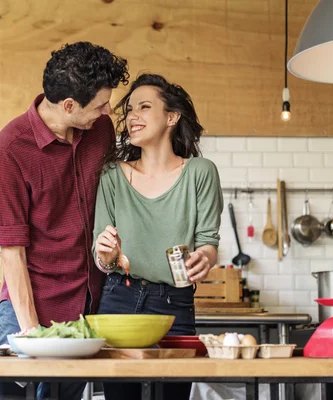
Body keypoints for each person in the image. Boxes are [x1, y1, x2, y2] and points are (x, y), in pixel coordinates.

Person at [0, 41, 129, 400]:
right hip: (28, 308)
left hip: (83, 312)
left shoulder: (100, 130)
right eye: (100, 104)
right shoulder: (9, 151)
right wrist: (33, 334)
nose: (108, 110)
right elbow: (12, 253)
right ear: (68, 106)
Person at [93, 73, 224, 400]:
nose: (132, 116)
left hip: (174, 306)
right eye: (130, 110)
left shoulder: (200, 172)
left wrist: (204, 259)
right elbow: (101, 253)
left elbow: (208, 241)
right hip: (118, 300)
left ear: (171, 116)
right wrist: (106, 253)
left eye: (144, 107)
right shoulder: (112, 175)